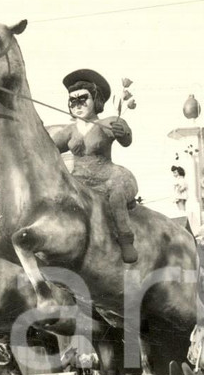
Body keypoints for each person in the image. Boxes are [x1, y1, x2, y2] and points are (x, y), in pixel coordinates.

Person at [47, 69, 139, 263]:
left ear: (96, 100)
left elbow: (126, 140)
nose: (77, 104)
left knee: (116, 195)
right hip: (80, 181)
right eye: (73, 100)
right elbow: (48, 149)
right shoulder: (69, 131)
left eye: (83, 98)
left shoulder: (109, 122)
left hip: (109, 177)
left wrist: (122, 132)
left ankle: (125, 240)